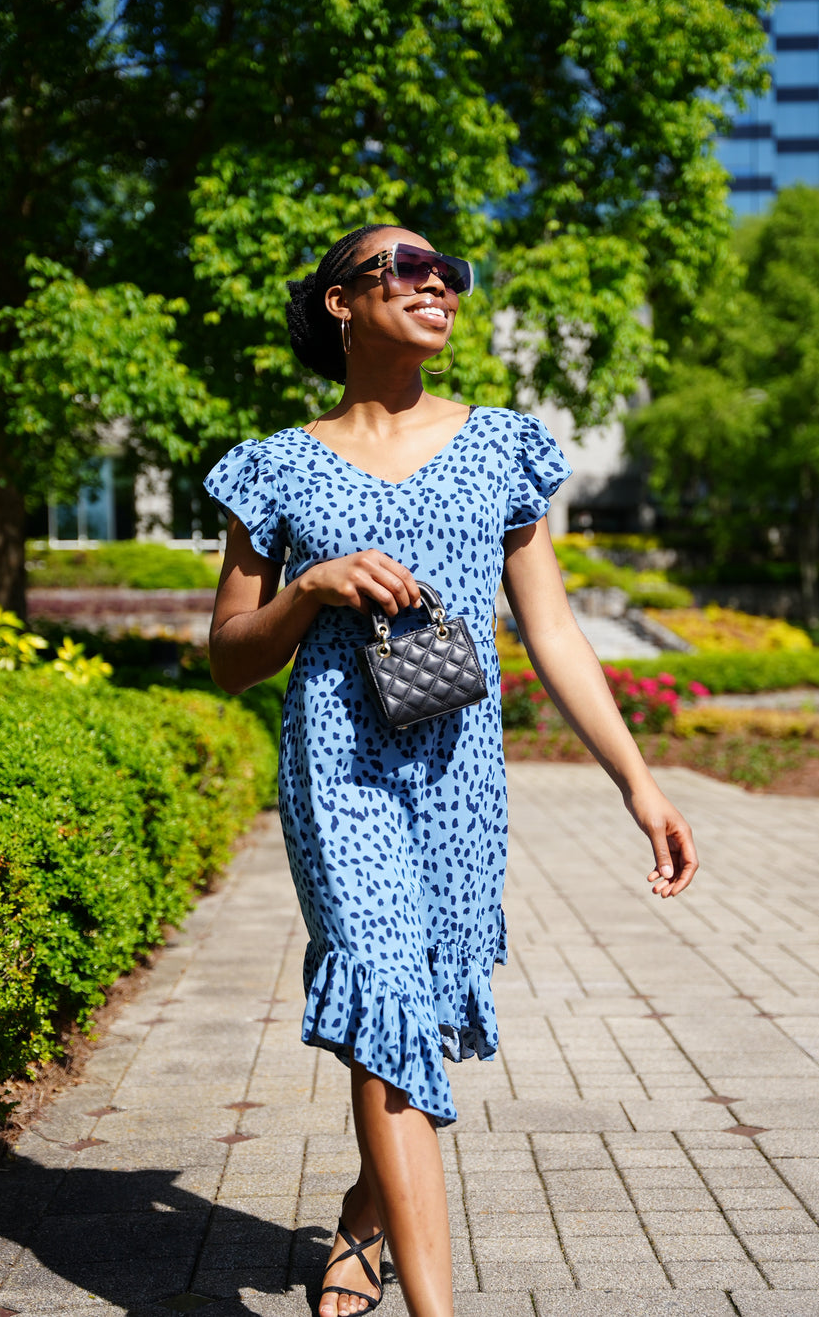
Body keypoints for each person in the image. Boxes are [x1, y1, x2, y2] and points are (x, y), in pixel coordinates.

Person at [204, 223, 698, 1317]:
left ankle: (362, 1220)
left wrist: (639, 783)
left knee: (416, 1021)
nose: (439, 284)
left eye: (450, 274)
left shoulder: (503, 445)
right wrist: (310, 589)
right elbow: (231, 653)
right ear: (341, 303)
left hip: (461, 772)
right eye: (409, 267)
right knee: (381, 999)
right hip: (339, 766)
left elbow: (555, 634)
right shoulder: (276, 466)